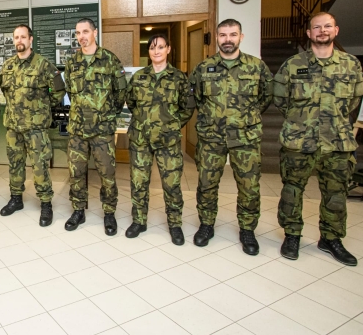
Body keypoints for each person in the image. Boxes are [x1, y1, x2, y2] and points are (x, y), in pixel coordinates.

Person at [274, 12, 363, 266]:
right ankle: (292, 236)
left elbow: (354, 101)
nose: (322, 31)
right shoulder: (293, 64)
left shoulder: (351, 64)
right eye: (317, 27)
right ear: (309, 33)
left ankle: (331, 239)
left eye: (327, 26)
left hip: (337, 142)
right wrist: (300, 121)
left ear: (336, 30)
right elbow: (280, 99)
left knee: (336, 193)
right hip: (299, 141)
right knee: (292, 190)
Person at [188, 19, 273, 255]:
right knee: (207, 184)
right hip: (211, 137)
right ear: (217, 38)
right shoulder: (203, 68)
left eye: (233, 34)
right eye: (223, 35)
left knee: (249, 186)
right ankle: (206, 225)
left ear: (240, 37)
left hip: (245, 138)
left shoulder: (256, 67)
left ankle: (247, 230)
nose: (228, 39)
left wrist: (245, 118)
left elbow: (266, 97)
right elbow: (195, 99)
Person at [125, 34, 193, 244]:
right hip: (141, 139)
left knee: (172, 184)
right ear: (149, 52)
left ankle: (175, 224)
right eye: (153, 48)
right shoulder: (139, 77)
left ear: (168, 49)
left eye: (161, 47)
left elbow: (187, 107)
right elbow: (131, 102)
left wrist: (172, 125)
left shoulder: (178, 78)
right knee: (139, 182)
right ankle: (139, 221)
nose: (156, 51)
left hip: (168, 141)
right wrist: (145, 122)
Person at [64, 18, 128, 236]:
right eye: (78, 33)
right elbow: (71, 91)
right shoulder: (72, 63)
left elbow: (120, 93)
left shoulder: (109, 60)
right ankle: (78, 210)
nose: (81, 36)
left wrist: (106, 115)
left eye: (85, 31)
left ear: (95, 33)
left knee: (107, 173)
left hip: (102, 130)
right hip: (77, 130)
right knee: (76, 173)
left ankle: (109, 212)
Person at [0, 24, 65, 227]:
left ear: (30, 39)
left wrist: (41, 109)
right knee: (15, 164)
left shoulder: (43, 64)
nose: (19, 40)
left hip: (36, 128)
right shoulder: (8, 65)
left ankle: (46, 203)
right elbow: (4, 88)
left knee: (40, 166)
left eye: (23, 37)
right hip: (13, 127)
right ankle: (16, 198)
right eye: (16, 37)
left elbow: (58, 91)